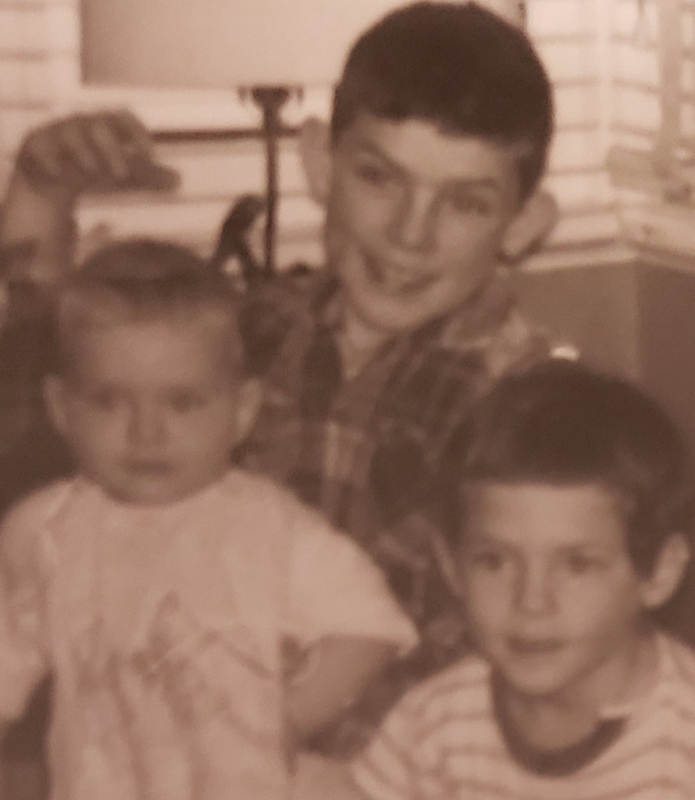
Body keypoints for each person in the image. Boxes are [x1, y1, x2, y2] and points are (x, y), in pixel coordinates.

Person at [0, 0, 561, 757]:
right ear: (319, 163)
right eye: (379, 177)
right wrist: (40, 193)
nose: (410, 233)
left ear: (523, 225)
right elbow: (49, 414)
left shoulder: (529, 410)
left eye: (465, 202)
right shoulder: (249, 329)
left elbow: (507, 671)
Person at [0, 238, 418, 800]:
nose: (147, 434)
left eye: (183, 403)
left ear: (240, 411)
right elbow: (11, 651)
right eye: (110, 402)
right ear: (62, 409)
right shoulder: (44, 531)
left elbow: (370, 627)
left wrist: (290, 718)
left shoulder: (269, 528)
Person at [352, 359, 695, 799]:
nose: (531, 602)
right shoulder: (433, 724)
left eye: (577, 565)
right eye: (494, 562)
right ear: (452, 566)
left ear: (660, 574)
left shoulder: (682, 740)